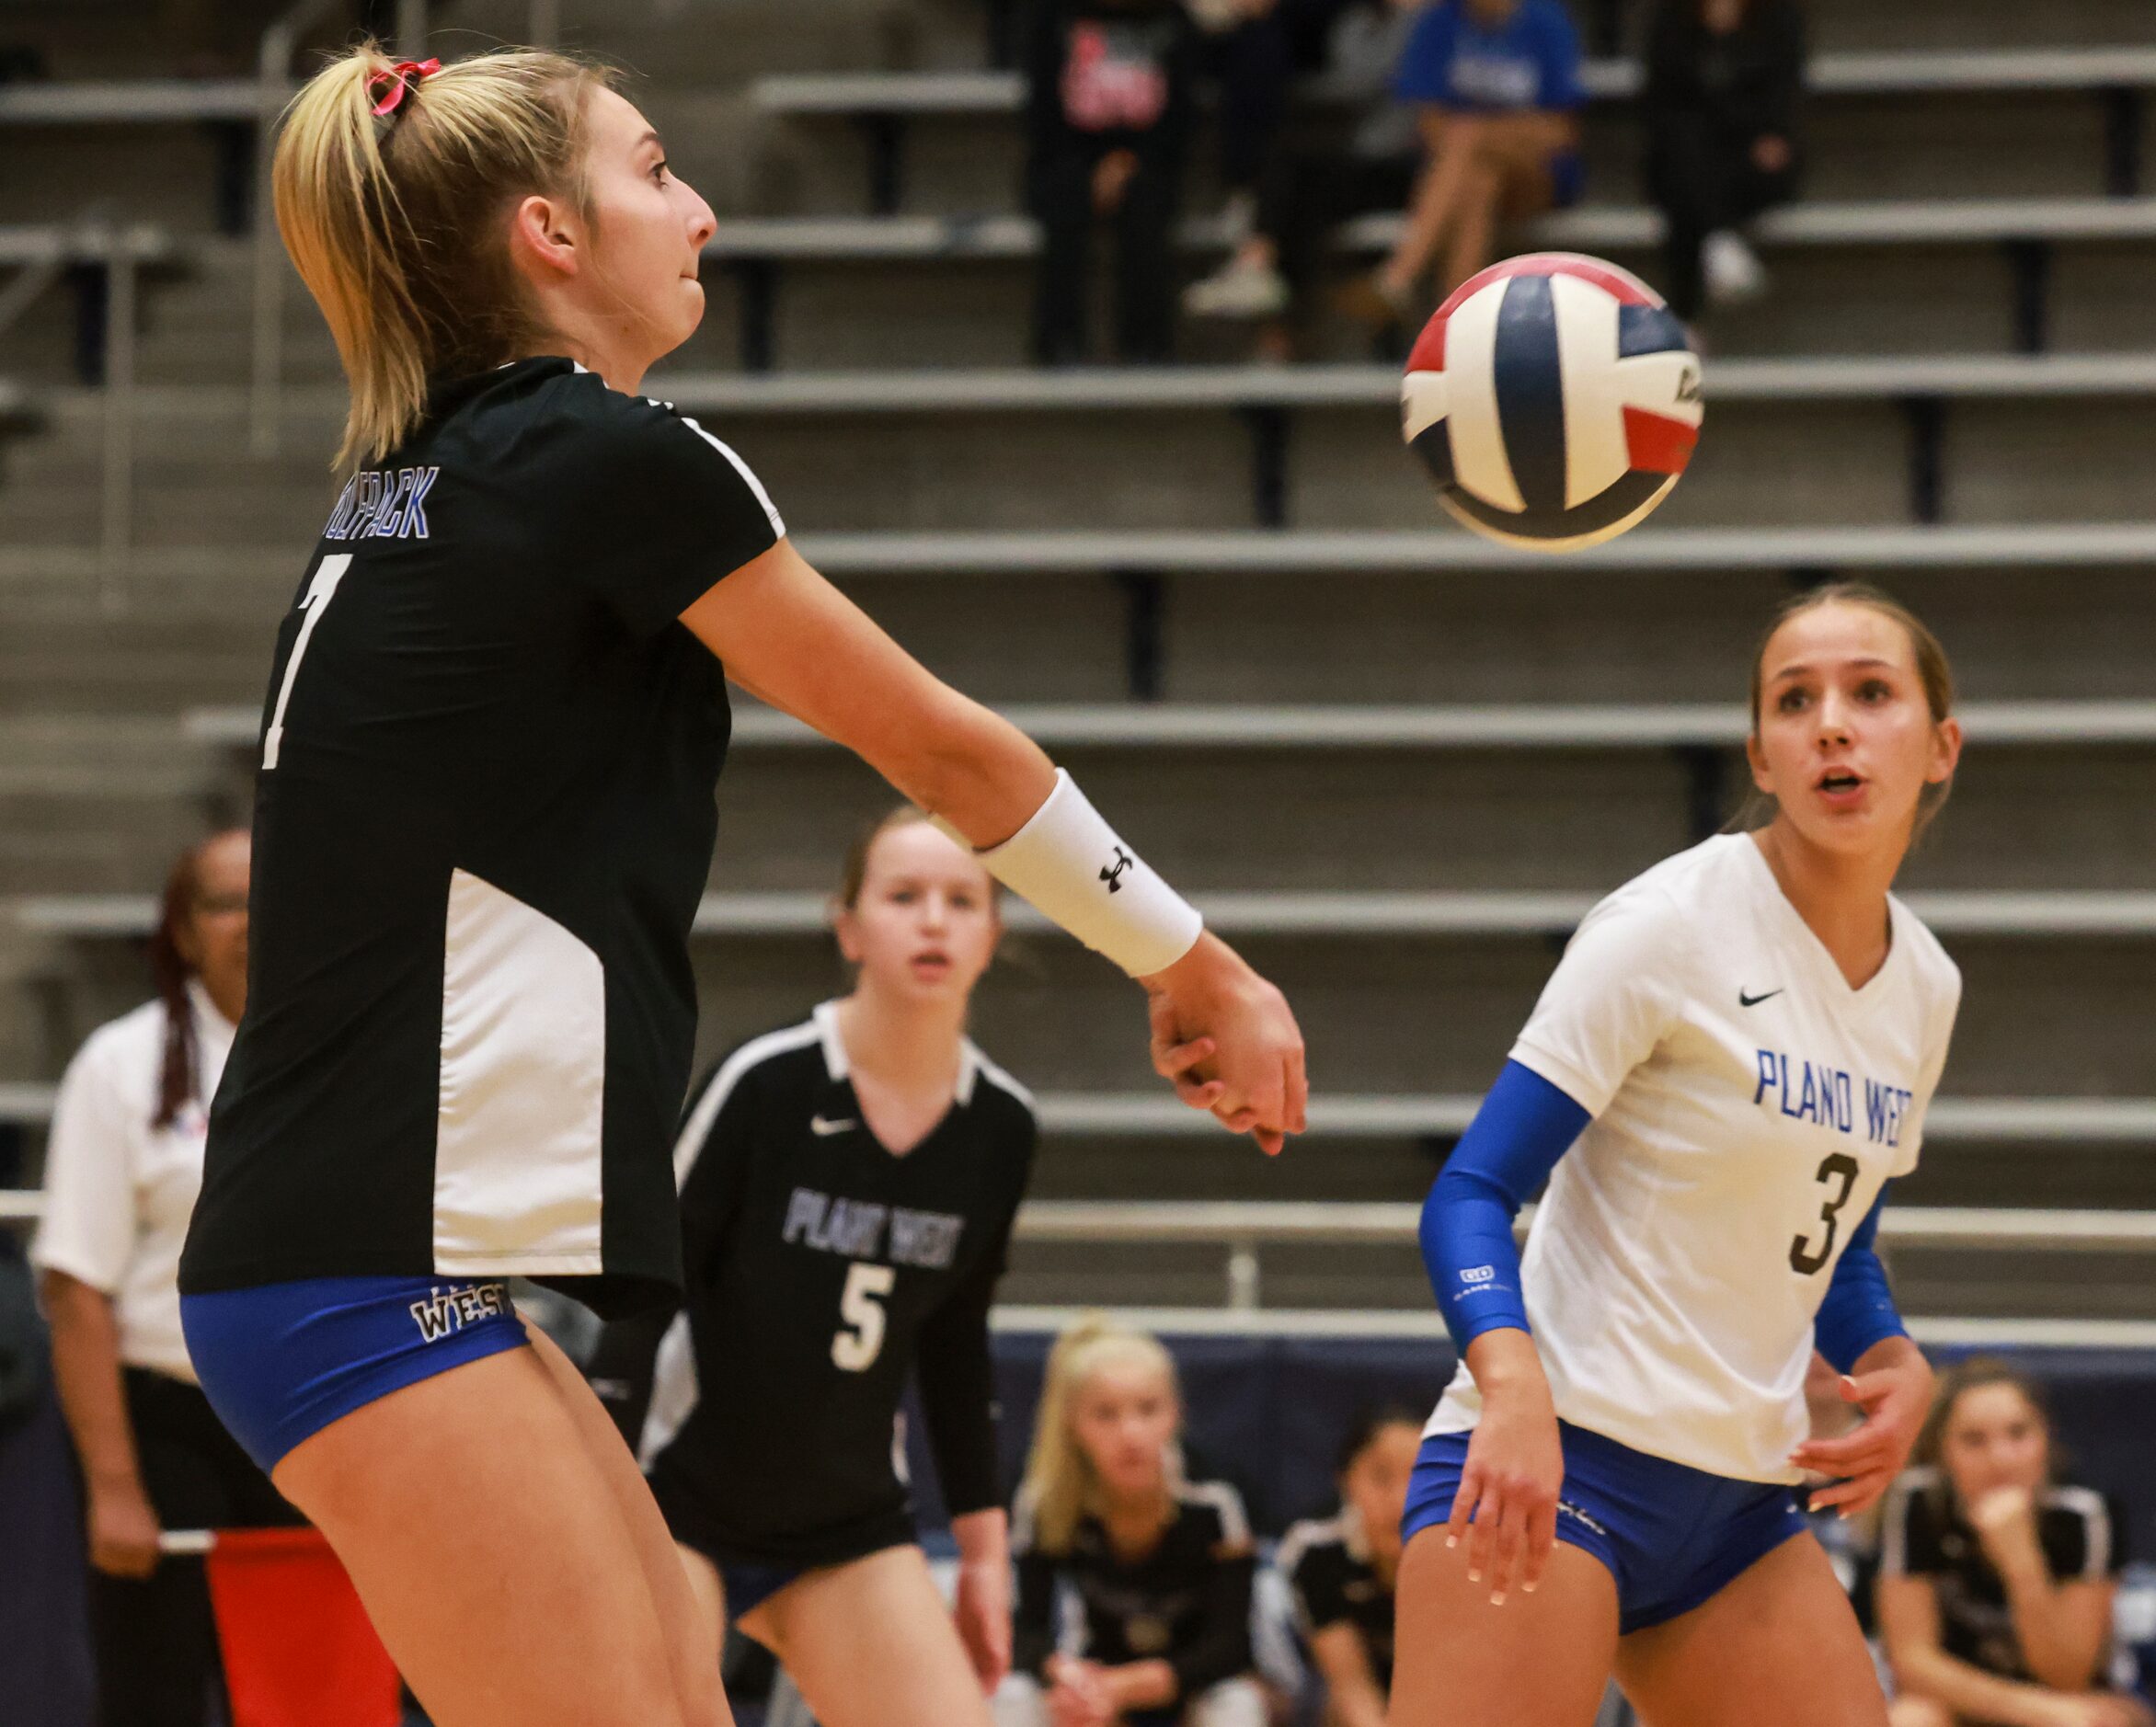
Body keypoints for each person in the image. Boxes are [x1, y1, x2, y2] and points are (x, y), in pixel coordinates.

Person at [170, 44, 1304, 1727]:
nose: (697, 208)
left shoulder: (426, 473)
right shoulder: (597, 459)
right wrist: (1188, 957)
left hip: (366, 1258)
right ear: (550, 234)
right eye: (652, 171)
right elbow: (943, 752)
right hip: (356, 1268)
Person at [1391, 580, 1967, 1727]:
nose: (1833, 725)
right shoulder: (1671, 925)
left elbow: (1831, 1232)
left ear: (1940, 746)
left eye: (1869, 693)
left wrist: (1892, 1357)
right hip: (1555, 1467)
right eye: (1795, 702)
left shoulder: (1926, 987)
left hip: (1743, 1511)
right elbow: (1469, 1193)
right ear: (1762, 755)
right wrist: (1509, 1390)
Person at [587, 806, 1037, 1727]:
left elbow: (955, 1346)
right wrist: (602, 1510)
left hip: (847, 1523)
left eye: (962, 900)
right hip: (681, 1501)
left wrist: (984, 1560)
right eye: (903, 896)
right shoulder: (767, 1081)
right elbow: (639, 1297)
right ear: (850, 927)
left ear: (991, 935)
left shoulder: (1001, 1124)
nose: (933, 920)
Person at [31, 830, 306, 1727]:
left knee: (313, 1687)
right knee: (154, 1692)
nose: (250, 924)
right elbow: (76, 1289)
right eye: (225, 903)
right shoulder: (120, 1065)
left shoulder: (350, 1055)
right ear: (183, 934)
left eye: (270, 900)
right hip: (168, 1424)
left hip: (314, 1419)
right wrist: (114, 1486)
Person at [999, 1318, 1266, 1727]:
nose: (1131, 1434)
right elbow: (1023, 1631)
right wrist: (1067, 1676)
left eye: (1148, 1409)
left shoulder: (1216, 1497)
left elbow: (1231, 1646)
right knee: (1012, 1695)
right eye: (1105, 1415)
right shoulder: (1043, 1499)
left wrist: (1128, 1686)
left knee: (1238, 1704)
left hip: (1192, 1679)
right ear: (1072, 1423)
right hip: (1093, 1678)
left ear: (1175, 1412)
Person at [1877, 1358, 2152, 1727]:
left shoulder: (2084, 1514)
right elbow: (1911, 1661)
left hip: (2074, 1697)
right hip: (1965, 1698)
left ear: (2045, 1439)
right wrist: (2034, 1711)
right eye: (1974, 1440)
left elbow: (2067, 1677)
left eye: (2018, 1434)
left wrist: (2021, 1560)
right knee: (1911, 1718)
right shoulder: (1918, 1501)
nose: (2000, 1458)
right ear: (1943, 1452)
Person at [1343, 0, 1585, 331]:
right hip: (1467, 174)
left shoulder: (1546, 20)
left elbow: (1559, 132)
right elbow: (1427, 125)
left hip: (1534, 177)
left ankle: (1400, 276)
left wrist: (1487, 135)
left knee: (1467, 137)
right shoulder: (1439, 21)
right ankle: (1458, 326)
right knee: (1477, 183)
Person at [1023, 0, 1200, 364]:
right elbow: (1041, 113)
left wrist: (1127, 161)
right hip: (1066, 160)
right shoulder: (1053, 18)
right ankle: (1059, 342)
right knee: (1066, 198)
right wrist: (1090, 168)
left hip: (1146, 161)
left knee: (1144, 202)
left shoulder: (1173, 22)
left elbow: (1180, 114)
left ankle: (1147, 345)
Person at [1641, 0, 1805, 325]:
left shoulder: (1779, 17)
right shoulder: (1670, 19)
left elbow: (1785, 94)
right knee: (1686, 154)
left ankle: (1686, 309)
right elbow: (1662, 104)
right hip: (1686, 155)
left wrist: (1772, 134)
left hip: (1749, 154)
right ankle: (1720, 237)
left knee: (1696, 181)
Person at [1276, 1406, 1423, 1727]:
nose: (1402, 1500)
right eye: (1381, 1477)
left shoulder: (1475, 1553)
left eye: (1423, 1476)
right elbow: (1352, 1687)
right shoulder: (1316, 1553)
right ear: (1345, 1481)